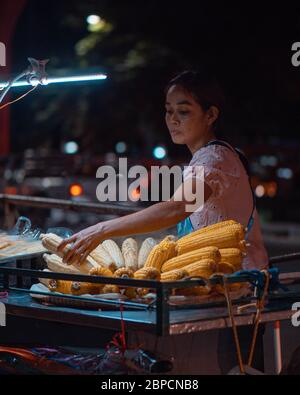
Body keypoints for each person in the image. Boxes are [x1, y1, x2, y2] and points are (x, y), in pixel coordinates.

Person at [58, 70, 268, 270]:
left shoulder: (215, 159)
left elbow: (176, 208)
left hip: (240, 283)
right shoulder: (206, 156)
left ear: (210, 115)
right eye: (169, 111)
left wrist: (101, 230)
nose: (173, 120)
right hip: (217, 277)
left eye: (184, 111)